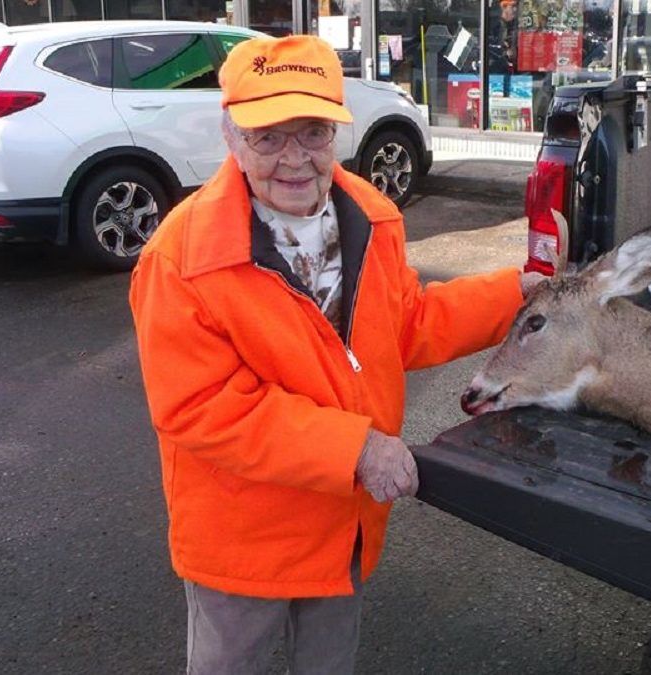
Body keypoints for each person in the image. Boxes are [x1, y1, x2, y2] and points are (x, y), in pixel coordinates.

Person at [129, 35, 542, 674]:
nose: (294, 159)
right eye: (269, 136)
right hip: (245, 541)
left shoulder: (372, 217)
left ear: (336, 135)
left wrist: (516, 296)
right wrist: (355, 449)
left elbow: (406, 326)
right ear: (231, 138)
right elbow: (199, 408)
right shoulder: (180, 260)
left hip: (343, 527)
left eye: (314, 132)